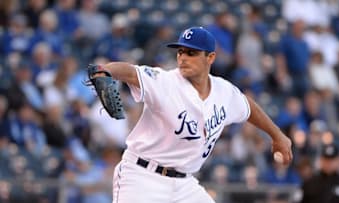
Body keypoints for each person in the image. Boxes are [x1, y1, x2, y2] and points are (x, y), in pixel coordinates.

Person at [91, 26, 292, 203]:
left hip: (184, 184)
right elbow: (131, 72)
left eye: (191, 53)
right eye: (180, 52)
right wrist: (104, 70)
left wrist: (277, 135)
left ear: (210, 57)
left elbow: (248, 107)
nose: (183, 58)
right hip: (143, 177)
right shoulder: (165, 82)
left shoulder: (224, 91)